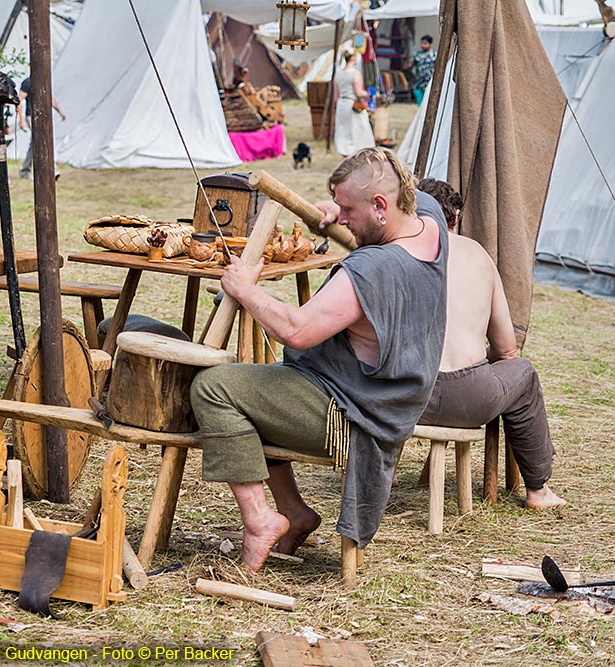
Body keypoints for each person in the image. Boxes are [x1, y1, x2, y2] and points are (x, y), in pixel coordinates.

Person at [190, 148, 448, 572]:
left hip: (353, 414)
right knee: (258, 388)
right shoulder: (430, 222)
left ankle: (260, 520)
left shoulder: (374, 268)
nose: (341, 219)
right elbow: (408, 190)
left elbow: (296, 330)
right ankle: (295, 512)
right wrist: (337, 206)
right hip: (390, 401)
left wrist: (245, 288)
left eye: (348, 210)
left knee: (215, 388)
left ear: (381, 207)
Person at [415, 177, 566, 510]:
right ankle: (538, 490)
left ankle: (387, 471)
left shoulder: (396, 253)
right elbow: (506, 349)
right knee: (522, 372)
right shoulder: (476, 254)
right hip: (471, 398)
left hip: (409, 394)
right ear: (455, 218)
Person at [17, 73, 66, 180]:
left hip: (43, 116)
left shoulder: (44, 80)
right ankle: (52, 170)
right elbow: (19, 100)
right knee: (43, 141)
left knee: (35, 143)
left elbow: (50, 98)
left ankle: (25, 170)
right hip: (32, 116)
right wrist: (21, 119)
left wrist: (59, 111)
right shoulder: (27, 82)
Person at [332, 50, 375, 157]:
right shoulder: (355, 74)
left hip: (342, 104)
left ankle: (344, 153)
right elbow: (359, 93)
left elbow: (335, 96)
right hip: (352, 104)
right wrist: (370, 94)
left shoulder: (338, 74)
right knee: (359, 129)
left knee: (343, 130)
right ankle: (357, 153)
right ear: (354, 58)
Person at [409, 35, 436, 105]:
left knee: (428, 103)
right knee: (420, 104)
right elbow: (411, 67)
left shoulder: (434, 55)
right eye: (422, 43)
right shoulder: (417, 55)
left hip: (430, 84)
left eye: (425, 43)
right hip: (419, 83)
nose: (423, 45)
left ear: (430, 44)